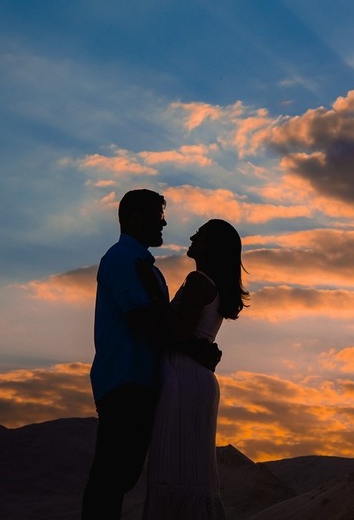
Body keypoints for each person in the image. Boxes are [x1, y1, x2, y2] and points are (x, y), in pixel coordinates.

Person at [82, 189, 221, 520]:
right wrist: (194, 348)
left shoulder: (147, 268)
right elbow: (141, 319)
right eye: (158, 216)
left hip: (143, 381)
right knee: (111, 478)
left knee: (122, 476)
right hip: (125, 379)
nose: (165, 223)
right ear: (134, 218)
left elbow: (162, 322)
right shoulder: (122, 260)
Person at [142, 219, 249, 520]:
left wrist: (154, 294)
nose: (191, 236)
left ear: (211, 246)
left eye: (199, 235)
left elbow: (178, 332)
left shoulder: (199, 281)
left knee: (173, 465)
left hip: (183, 377)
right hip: (197, 378)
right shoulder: (213, 286)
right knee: (190, 467)